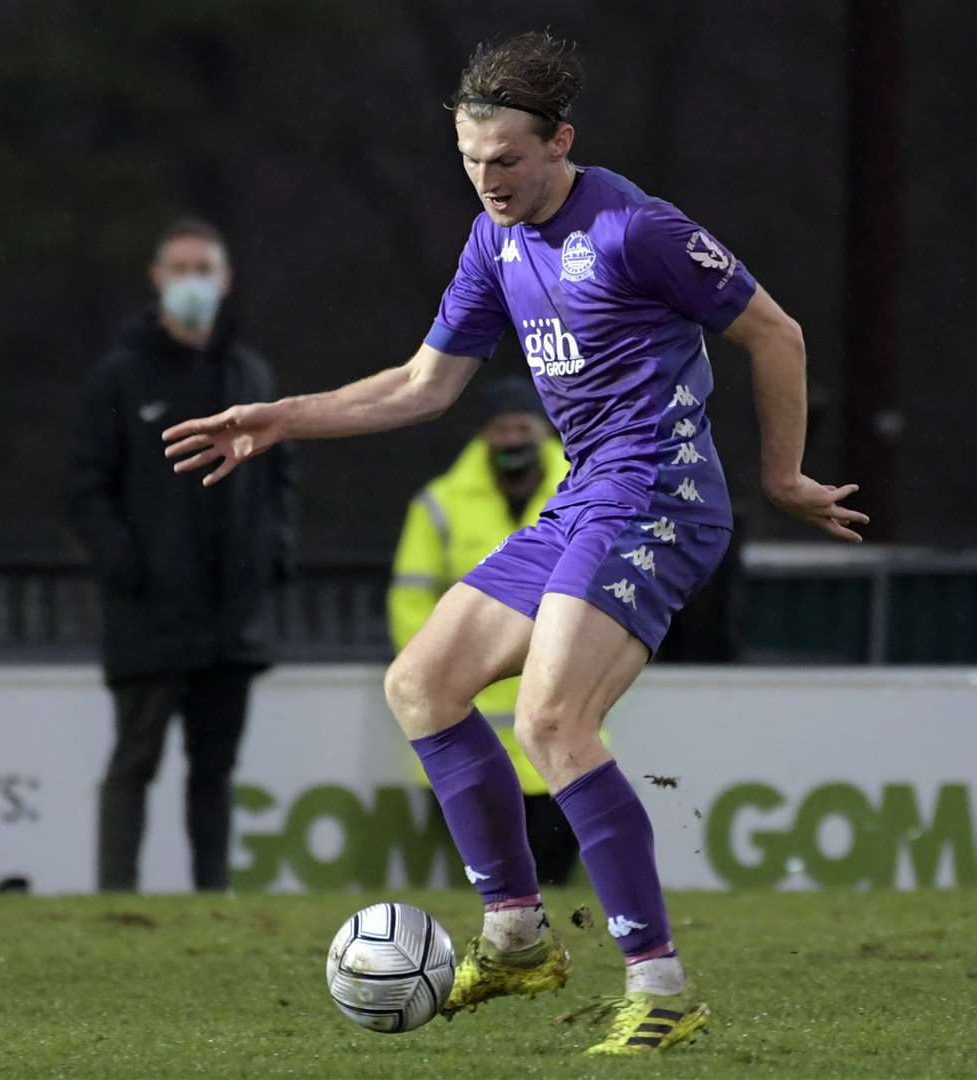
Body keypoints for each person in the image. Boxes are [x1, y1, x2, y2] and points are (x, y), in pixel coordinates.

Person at [162, 30, 865, 1055]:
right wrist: (281, 416)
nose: (485, 179)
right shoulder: (492, 241)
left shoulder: (635, 228)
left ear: (558, 143)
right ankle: (517, 936)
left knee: (551, 723)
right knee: (422, 685)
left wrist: (779, 475)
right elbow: (422, 385)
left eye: (504, 160)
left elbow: (775, 332)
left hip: (659, 491)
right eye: (468, 160)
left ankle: (660, 987)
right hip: (586, 497)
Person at [66, 217, 298, 893]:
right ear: (156, 279)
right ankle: (116, 895)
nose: (192, 283)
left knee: (215, 770)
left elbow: (284, 478)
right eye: (180, 269)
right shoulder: (117, 379)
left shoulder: (251, 374)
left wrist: (272, 557)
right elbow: (84, 486)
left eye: (204, 270)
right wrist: (125, 565)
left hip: (232, 617)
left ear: (224, 281)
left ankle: (212, 896)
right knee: (135, 760)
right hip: (149, 614)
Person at [389, 375, 581, 884]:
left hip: (559, 725)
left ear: (544, 430)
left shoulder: (584, 492)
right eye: (501, 429)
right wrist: (440, 669)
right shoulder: (441, 503)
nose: (513, 440)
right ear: (482, 437)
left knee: (555, 878)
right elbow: (410, 597)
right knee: (496, 883)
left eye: (523, 427)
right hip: (466, 725)